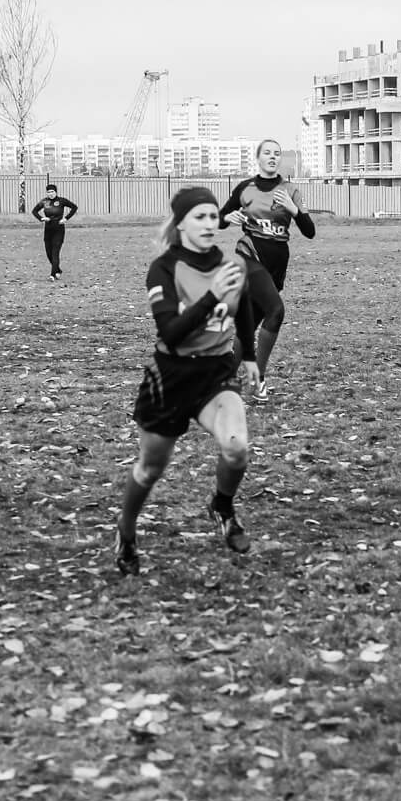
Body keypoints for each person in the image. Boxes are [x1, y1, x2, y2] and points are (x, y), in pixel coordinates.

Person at [112, 186, 259, 576]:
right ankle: (126, 530)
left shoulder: (230, 265)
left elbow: (243, 304)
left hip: (216, 373)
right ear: (181, 224)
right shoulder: (164, 269)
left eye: (214, 216)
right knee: (150, 469)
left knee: (236, 449)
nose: (210, 224)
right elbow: (171, 332)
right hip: (172, 377)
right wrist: (211, 296)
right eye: (201, 217)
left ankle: (222, 506)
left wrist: (249, 357)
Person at [219, 138, 315, 402]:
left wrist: (294, 209)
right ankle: (258, 378)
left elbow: (310, 232)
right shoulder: (245, 188)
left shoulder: (290, 190)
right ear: (258, 158)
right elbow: (219, 218)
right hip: (248, 257)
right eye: (267, 153)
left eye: (277, 154)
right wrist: (227, 218)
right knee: (276, 311)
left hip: (276, 266)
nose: (272, 157)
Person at [32, 182, 79, 279]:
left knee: (55, 252)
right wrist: (41, 218)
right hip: (48, 229)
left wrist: (65, 218)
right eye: (48, 192)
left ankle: (52, 275)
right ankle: (57, 270)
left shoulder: (61, 201)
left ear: (56, 192)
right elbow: (34, 211)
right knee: (49, 253)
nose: (50, 193)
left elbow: (74, 207)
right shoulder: (44, 202)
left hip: (59, 229)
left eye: (52, 191)